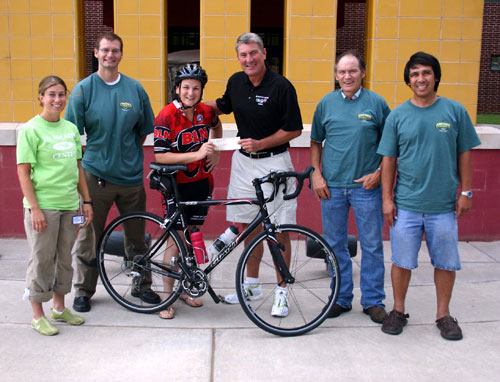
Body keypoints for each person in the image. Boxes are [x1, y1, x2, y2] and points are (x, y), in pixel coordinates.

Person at [377, 52, 481, 340]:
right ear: (408, 80)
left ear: (436, 76)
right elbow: (388, 161)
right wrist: (387, 199)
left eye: (425, 73)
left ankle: (443, 315)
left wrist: (466, 192)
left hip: (443, 206)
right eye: (414, 74)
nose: (420, 79)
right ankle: (398, 311)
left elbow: (465, 154)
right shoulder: (397, 115)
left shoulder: (454, 111)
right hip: (406, 204)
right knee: (401, 261)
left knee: (445, 262)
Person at [206, 32, 303, 317]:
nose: (248, 59)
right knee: (250, 224)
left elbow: (294, 129)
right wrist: (187, 102)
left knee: (280, 228)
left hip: (274, 162)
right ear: (238, 58)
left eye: (253, 53)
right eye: (243, 55)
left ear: (263, 54)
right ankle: (251, 286)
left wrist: (261, 143)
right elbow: (220, 106)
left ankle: (282, 290)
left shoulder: (281, 86)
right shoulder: (236, 82)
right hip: (243, 163)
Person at [65, 32, 156, 312]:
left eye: (115, 50)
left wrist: (125, 155)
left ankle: (142, 287)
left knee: (136, 238)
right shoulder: (83, 90)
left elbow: (143, 132)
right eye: (105, 50)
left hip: (130, 178)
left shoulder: (135, 90)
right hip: (95, 177)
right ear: (95, 53)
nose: (110, 55)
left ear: (121, 54)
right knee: (88, 236)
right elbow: (71, 135)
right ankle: (83, 291)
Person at [310, 50, 390, 323]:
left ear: (363, 73)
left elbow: (391, 146)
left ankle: (373, 301)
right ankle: (340, 298)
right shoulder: (326, 104)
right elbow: (316, 142)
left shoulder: (377, 104)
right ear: (336, 75)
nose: (347, 76)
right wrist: (316, 174)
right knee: (334, 246)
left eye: (352, 71)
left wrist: (378, 172)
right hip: (331, 188)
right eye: (342, 72)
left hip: (366, 188)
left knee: (371, 245)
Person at [17, 75, 93, 335]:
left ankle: (59, 309)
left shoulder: (70, 129)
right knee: (41, 260)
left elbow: (78, 168)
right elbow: (23, 173)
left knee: (64, 259)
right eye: (51, 94)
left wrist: (87, 202)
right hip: (44, 208)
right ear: (41, 97)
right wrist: (35, 209)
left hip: (70, 205)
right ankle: (37, 315)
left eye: (61, 94)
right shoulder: (30, 130)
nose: (57, 100)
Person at [153, 64, 222, 319]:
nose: (190, 92)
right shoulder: (166, 115)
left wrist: (215, 152)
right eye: (186, 88)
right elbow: (160, 156)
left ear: (201, 90)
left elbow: (216, 127)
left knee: (192, 237)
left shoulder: (206, 111)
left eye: (196, 88)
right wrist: (198, 154)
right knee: (175, 241)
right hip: (176, 186)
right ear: (177, 89)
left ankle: (183, 288)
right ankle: (166, 297)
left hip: (201, 183)